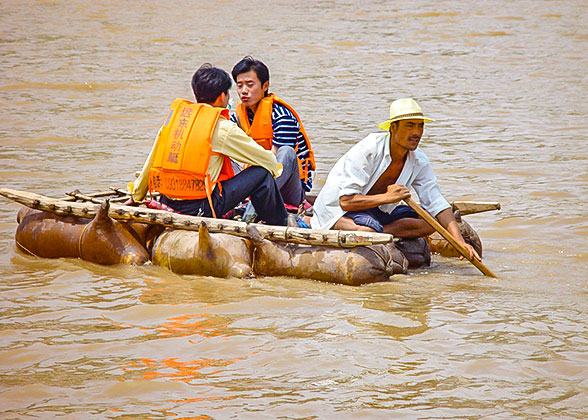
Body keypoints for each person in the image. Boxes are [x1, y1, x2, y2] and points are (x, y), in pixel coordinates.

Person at [310, 98, 479, 259]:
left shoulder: (418, 160)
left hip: (379, 213)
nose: (417, 133)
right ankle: (356, 228)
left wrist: (460, 242)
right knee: (366, 231)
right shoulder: (369, 149)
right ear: (393, 128)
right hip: (341, 210)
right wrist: (388, 197)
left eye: (420, 126)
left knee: (432, 223)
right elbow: (346, 201)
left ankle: (379, 232)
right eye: (410, 126)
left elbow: (436, 202)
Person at [125, 63, 290, 227]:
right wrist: (277, 172)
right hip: (202, 207)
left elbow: (150, 162)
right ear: (221, 96)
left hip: (167, 200)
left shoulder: (173, 121)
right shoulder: (222, 126)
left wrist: (136, 196)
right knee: (262, 172)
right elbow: (267, 160)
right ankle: (278, 224)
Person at [230, 56, 315, 208]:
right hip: (256, 181)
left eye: (250, 85)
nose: (244, 91)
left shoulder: (281, 116)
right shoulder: (238, 115)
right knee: (220, 151)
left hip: (288, 188)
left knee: (287, 152)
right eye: (239, 85)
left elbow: (275, 161)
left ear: (265, 86)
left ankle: (253, 204)